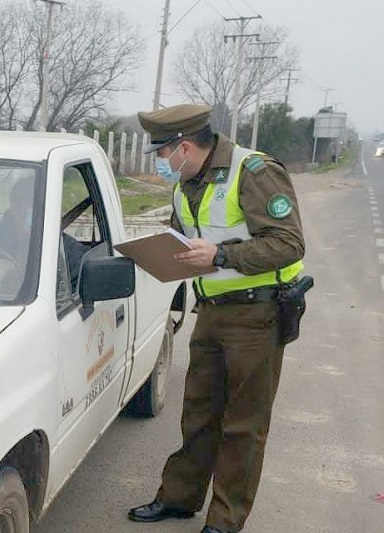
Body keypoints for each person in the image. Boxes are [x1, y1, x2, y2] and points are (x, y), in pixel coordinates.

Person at [127, 104, 306, 533]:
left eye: (162, 154)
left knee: (243, 423)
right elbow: (181, 239)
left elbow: (289, 243)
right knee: (199, 414)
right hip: (210, 312)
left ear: (184, 147)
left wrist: (223, 255)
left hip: (258, 314)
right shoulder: (185, 184)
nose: (161, 164)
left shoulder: (255, 172)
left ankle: (224, 520)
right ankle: (179, 498)